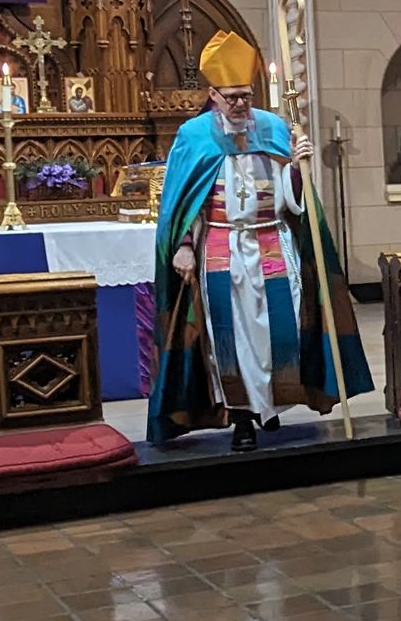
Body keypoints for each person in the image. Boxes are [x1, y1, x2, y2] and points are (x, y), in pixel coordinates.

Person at [148, 29, 373, 450]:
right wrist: (183, 246)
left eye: (246, 96)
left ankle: (268, 404)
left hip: (272, 242)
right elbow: (184, 200)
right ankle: (243, 417)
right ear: (213, 95)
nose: (240, 105)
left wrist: (299, 167)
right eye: (232, 97)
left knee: (278, 332)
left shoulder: (272, 127)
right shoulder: (194, 136)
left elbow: (293, 199)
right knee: (231, 337)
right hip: (222, 248)